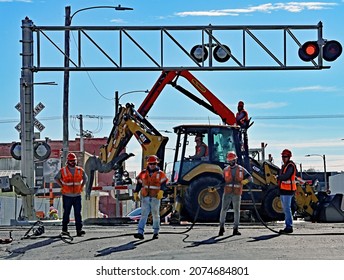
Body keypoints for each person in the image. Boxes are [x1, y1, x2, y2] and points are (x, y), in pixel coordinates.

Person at [133, 155, 169, 240]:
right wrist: (136, 192)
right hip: (145, 196)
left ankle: (156, 232)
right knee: (143, 215)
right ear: (148, 164)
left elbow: (164, 184)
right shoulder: (143, 173)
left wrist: (161, 191)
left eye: (154, 163)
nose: (152, 165)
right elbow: (139, 183)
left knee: (155, 215)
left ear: (156, 164)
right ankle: (140, 232)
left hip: (155, 197)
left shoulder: (160, 174)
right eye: (151, 163)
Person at [218, 151, 252, 236]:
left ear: (235, 160)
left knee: (236, 211)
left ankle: (235, 229)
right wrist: (216, 187)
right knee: (223, 209)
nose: (231, 162)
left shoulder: (241, 169)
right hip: (227, 192)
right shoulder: (225, 170)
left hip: (236, 193)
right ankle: (221, 228)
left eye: (232, 160)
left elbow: (250, 177)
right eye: (230, 160)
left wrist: (245, 181)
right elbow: (222, 181)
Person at [55, 152, 88, 236]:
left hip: (77, 195)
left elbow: (85, 178)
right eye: (71, 161)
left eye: (74, 160)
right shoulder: (63, 170)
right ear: (68, 161)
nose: (73, 162)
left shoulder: (80, 170)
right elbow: (56, 178)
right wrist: (62, 185)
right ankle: (64, 230)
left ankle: (79, 230)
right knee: (66, 213)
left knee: (78, 213)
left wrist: (81, 186)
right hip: (67, 196)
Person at [275, 149, 297, 234]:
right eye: (282, 157)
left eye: (285, 157)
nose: (283, 158)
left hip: (289, 191)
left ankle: (289, 226)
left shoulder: (290, 166)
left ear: (289, 157)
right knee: (285, 209)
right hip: (283, 190)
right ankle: (288, 225)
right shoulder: (284, 166)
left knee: (287, 209)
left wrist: (278, 177)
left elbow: (286, 176)